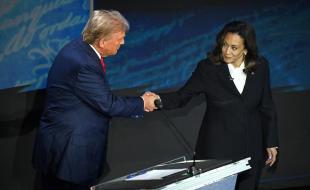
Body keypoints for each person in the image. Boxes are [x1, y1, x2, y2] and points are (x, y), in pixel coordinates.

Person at [32, 10, 157, 190]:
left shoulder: (79, 48)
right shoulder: (83, 63)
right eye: (120, 38)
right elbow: (107, 104)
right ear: (102, 41)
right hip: (70, 154)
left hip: (65, 148)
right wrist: (142, 103)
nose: (123, 42)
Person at [148, 21, 279, 190]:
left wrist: (271, 142)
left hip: (251, 149)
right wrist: (158, 100)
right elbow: (182, 96)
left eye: (234, 47)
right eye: (224, 45)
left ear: (246, 49)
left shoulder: (261, 66)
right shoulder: (208, 68)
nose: (226, 51)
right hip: (217, 151)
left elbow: (266, 105)